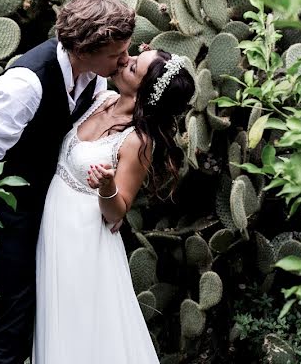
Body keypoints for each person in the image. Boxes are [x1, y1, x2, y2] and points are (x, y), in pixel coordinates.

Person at [0, 0, 136, 364]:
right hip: (8, 216)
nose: (124, 61)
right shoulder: (26, 84)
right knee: (14, 327)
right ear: (83, 50)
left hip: (56, 220)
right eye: (115, 55)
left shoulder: (96, 79)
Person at [33, 49, 195, 364]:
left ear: (144, 91)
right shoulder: (100, 97)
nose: (125, 60)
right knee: (54, 318)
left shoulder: (137, 143)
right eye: (134, 56)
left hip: (85, 243)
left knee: (82, 331)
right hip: (54, 228)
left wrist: (107, 187)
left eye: (134, 67)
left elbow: (117, 212)